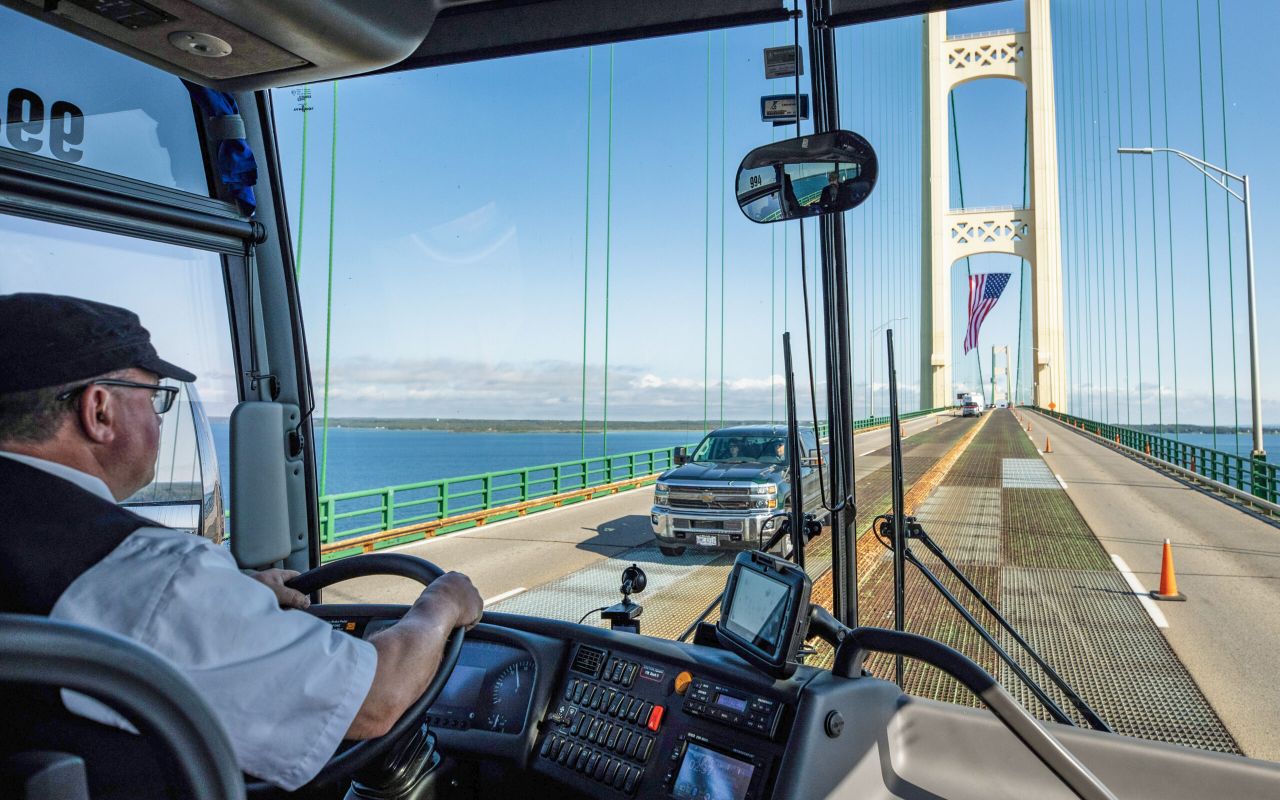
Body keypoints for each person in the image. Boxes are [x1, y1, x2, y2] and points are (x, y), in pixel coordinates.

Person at [0, 293, 484, 793]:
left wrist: (232, 593)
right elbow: (373, 703)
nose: (159, 418)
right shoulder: (147, 573)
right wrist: (440, 604)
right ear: (99, 409)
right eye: (153, 398)